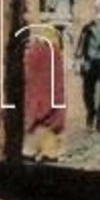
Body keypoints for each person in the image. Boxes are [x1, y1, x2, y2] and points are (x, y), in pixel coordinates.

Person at [23, 31, 68, 162]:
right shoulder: (54, 54)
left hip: (36, 104)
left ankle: (33, 151)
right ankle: (49, 152)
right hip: (50, 106)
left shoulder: (34, 52)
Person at [76, 2, 100, 132]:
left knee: (88, 92)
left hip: (88, 63)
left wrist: (80, 60)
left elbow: (79, 48)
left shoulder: (87, 27)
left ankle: (90, 117)